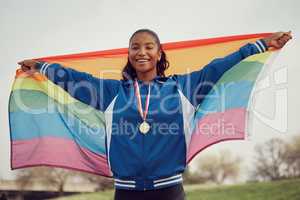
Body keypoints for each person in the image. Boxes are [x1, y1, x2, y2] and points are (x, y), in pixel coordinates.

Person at [18, 29, 292, 200]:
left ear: (159, 53)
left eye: (148, 46)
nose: (141, 52)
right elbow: (75, 80)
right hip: (126, 192)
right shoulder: (113, 92)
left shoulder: (184, 87)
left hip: (170, 191)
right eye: (135, 47)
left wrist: (260, 45)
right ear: (128, 54)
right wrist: (42, 67)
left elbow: (222, 65)